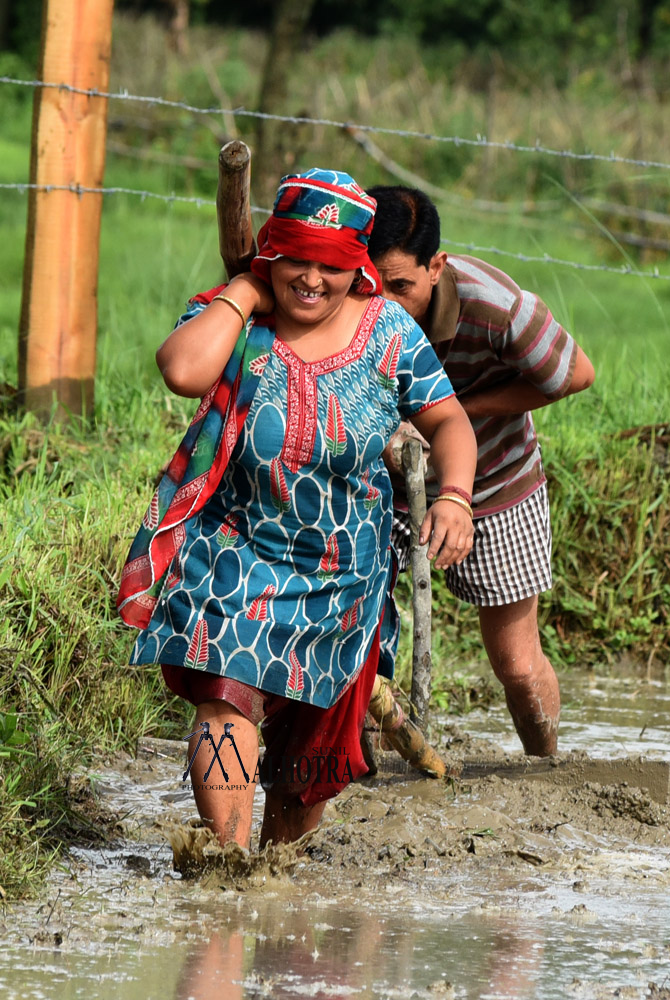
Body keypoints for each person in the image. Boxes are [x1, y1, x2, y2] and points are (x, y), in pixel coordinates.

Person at [117, 169, 476, 851]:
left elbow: (449, 420)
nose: (312, 279)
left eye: (332, 265)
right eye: (295, 261)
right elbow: (183, 371)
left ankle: (277, 879)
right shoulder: (233, 319)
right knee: (227, 693)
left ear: (356, 268)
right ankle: (223, 862)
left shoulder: (388, 332)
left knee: (306, 772)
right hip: (236, 551)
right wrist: (246, 289)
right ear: (271, 255)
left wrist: (455, 496)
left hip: (345, 580)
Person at [366, 185, 595, 758]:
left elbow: (576, 374)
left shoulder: (495, 307)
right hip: (373, 486)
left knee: (517, 665)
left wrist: (458, 414)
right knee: (358, 649)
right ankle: (355, 766)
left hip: (494, 481)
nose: (383, 306)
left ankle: (545, 765)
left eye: (401, 287)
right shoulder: (343, 299)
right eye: (371, 285)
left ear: (436, 267)